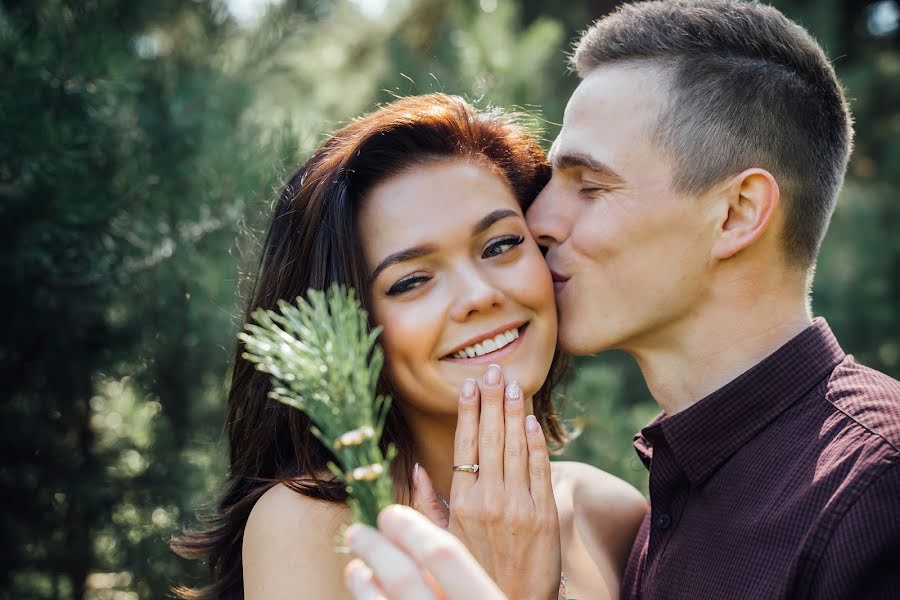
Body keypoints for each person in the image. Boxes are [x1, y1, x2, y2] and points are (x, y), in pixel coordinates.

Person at [343, 1, 900, 599]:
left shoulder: (876, 491)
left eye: (589, 185)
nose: (538, 221)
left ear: (736, 214)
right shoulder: (651, 510)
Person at [170, 93, 647, 599]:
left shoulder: (610, 513)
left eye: (501, 245)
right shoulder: (317, 527)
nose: (480, 296)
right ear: (349, 327)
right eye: (411, 280)